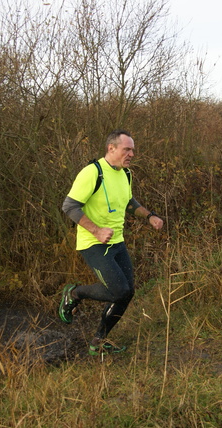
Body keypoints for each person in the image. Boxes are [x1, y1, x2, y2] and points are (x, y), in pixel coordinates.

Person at [60, 129, 164, 356]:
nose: (132, 154)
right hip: (93, 243)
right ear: (111, 148)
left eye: (133, 150)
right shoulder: (92, 173)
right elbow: (69, 206)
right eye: (127, 149)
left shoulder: (125, 174)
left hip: (117, 242)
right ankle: (75, 294)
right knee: (118, 290)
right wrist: (96, 230)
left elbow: (128, 201)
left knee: (127, 293)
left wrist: (149, 216)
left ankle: (97, 342)